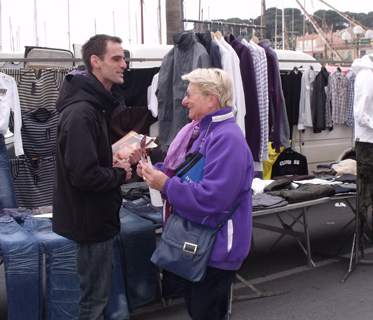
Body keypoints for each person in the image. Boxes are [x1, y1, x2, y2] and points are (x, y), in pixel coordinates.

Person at [138, 68, 254, 320]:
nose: (184, 100)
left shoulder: (226, 138)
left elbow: (212, 197)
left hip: (217, 247)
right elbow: (188, 175)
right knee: (199, 309)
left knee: (205, 312)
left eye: (190, 94)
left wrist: (166, 185)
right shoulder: (206, 132)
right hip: (203, 244)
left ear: (212, 99)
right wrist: (154, 172)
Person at [52, 34, 137, 320]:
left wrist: (115, 159)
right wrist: (118, 174)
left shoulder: (94, 105)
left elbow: (85, 161)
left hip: (95, 217)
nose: (123, 64)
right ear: (95, 62)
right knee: (93, 301)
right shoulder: (82, 111)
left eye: (124, 58)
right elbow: (84, 175)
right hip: (89, 221)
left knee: (96, 296)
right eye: (116, 58)